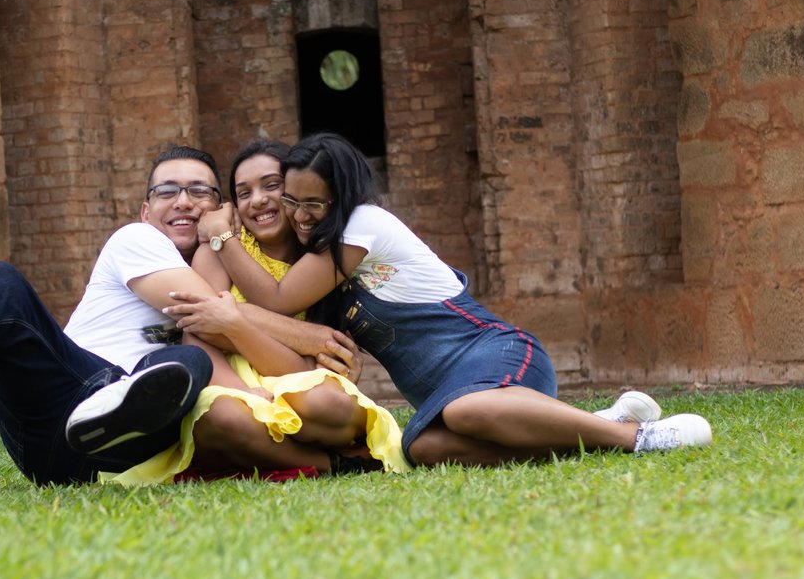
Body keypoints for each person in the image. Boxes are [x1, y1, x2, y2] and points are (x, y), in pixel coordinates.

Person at [0, 146, 359, 486]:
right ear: (145, 209)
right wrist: (307, 333)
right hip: (60, 404)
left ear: (222, 212)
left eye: (201, 192)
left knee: (183, 359)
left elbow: (224, 333)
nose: (184, 201)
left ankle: (120, 411)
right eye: (168, 191)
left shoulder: (226, 273)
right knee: (5, 287)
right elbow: (206, 311)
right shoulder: (137, 241)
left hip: (105, 456)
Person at [168, 132, 713, 468]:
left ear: (341, 197)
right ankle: (581, 428)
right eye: (295, 200)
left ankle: (637, 437)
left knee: (464, 408)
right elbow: (297, 328)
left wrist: (221, 239)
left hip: (496, 355)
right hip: (448, 394)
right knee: (420, 450)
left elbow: (277, 301)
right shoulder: (320, 262)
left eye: (314, 201)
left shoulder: (364, 226)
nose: (302, 212)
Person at [108, 140, 408, 484]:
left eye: (271, 185)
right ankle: (330, 461)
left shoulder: (320, 260)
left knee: (330, 405)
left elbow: (322, 360)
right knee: (221, 418)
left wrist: (236, 322)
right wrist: (243, 391)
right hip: (231, 377)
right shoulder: (216, 249)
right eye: (244, 192)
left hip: (298, 380)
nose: (258, 200)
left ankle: (275, 445)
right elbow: (194, 332)